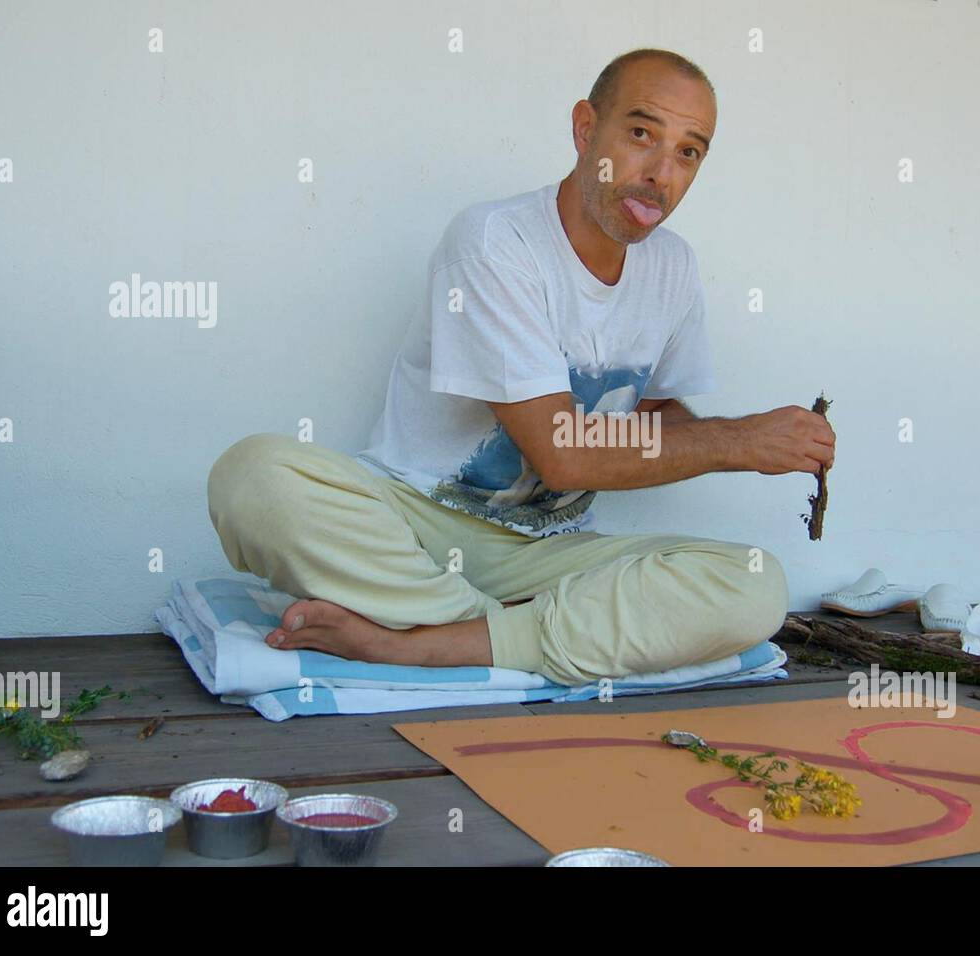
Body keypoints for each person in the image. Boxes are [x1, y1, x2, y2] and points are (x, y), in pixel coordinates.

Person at [207, 48, 836, 686]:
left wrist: (755, 437)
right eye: (641, 133)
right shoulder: (494, 242)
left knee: (756, 585)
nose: (659, 174)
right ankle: (508, 633)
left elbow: (654, 418)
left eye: (688, 152)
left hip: (549, 552)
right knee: (254, 478)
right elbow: (562, 454)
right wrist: (739, 441)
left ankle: (421, 640)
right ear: (586, 128)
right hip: (413, 525)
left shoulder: (673, 268)